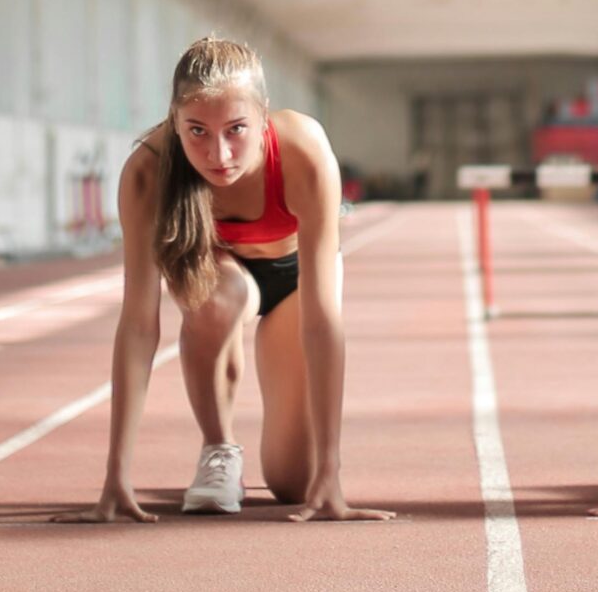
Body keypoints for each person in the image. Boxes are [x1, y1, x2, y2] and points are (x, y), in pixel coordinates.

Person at [90, 35, 391, 524]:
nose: (220, 154)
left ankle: (314, 467)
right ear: (174, 121)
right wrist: (114, 476)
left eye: (236, 130)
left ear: (263, 116)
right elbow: (140, 325)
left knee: (295, 484)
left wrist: (331, 473)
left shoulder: (303, 151)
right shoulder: (147, 171)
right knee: (218, 297)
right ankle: (218, 450)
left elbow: (321, 323)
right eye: (197, 132)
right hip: (221, 276)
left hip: (297, 282)